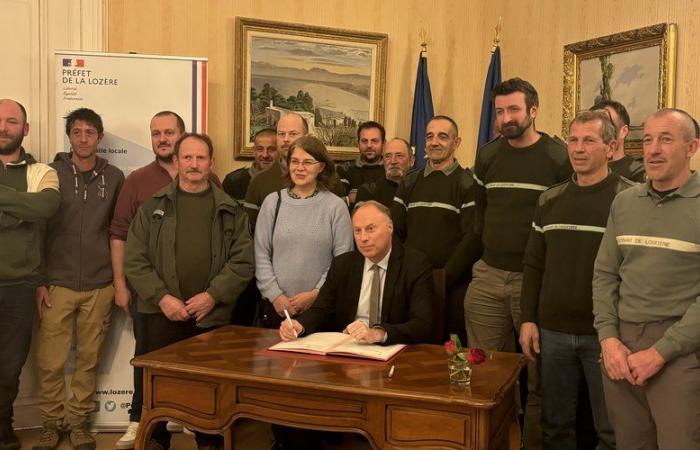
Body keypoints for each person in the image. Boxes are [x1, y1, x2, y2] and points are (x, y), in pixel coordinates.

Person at [125, 133, 253, 450]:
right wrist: (163, 298)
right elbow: (135, 260)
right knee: (155, 387)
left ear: (211, 163)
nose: (194, 164)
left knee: (210, 389)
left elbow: (243, 261)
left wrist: (212, 296)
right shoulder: (153, 207)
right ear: (177, 161)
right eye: (187, 157)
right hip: (160, 314)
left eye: (200, 158)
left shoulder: (230, 210)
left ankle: (210, 441)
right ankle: (156, 440)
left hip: (210, 316)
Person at [464, 78, 572, 450]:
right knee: (485, 373)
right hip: (488, 277)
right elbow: (480, 216)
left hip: (536, 281)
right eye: (499, 111)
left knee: (538, 379)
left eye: (513, 110)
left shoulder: (558, 158)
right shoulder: (487, 155)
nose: (505, 118)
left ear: (533, 110)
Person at [520, 111, 631, 450]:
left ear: (610, 147)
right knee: (556, 427)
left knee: (612, 430)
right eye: (573, 140)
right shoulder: (549, 200)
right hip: (552, 332)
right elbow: (534, 264)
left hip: (607, 336)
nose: (578, 148)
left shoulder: (629, 200)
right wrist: (527, 319)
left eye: (589, 140)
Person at [110, 111, 220, 449]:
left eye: (169, 132)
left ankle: (196, 423)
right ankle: (142, 424)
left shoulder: (214, 184)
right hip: (154, 299)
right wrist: (121, 284)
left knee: (202, 372)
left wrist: (213, 295)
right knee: (150, 365)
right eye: (156, 133)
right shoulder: (138, 180)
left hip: (202, 305)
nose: (162, 138)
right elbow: (121, 236)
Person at [593, 108, 700, 449]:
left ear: (692, 147)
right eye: (648, 140)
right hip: (620, 348)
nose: (652, 149)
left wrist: (661, 352)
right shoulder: (624, 203)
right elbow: (605, 274)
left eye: (665, 139)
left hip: (678, 350)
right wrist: (608, 339)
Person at [32, 108, 124, 450]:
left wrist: (118, 282)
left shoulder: (114, 177)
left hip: (100, 285)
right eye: (77, 132)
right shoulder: (50, 173)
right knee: (51, 361)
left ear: (99, 137)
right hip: (57, 283)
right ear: (69, 136)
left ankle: (79, 423)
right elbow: (38, 229)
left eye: (90, 132)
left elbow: (118, 231)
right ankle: (51, 424)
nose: (83, 138)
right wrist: (40, 280)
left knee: (88, 360)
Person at [281, 200, 433, 345]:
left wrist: (378, 333)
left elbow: (422, 324)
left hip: (394, 351)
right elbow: (322, 310)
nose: (363, 238)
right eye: (357, 231)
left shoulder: (414, 264)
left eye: (370, 229)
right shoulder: (343, 264)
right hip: (348, 350)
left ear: (390, 227)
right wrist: (300, 326)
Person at [0, 99, 60, 450]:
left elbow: (46, 206)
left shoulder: (41, 172)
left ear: (25, 129)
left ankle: (2, 429)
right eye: (0, 120)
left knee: (10, 366)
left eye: (12, 121)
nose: (4, 127)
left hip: (20, 285)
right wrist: (18, 210)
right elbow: (30, 208)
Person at [391, 115, 476, 342]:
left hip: (452, 286)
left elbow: (472, 239)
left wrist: (444, 277)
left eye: (443, 136)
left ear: (456, 143)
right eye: (429, 136)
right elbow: (396, 231)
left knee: (448, 350)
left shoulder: (468, 184)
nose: (434, 142)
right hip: (411, 283)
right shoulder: (409, 182)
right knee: (412, 349)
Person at [255, 135, 354, 325]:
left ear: (322, 167)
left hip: (321, 309)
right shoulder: (272, 202)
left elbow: (342, 261)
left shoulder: (335, 206)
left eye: (308, 162)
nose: (300, 168)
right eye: (295, 161)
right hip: (276, 308)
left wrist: (315, 295)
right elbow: (261, 254)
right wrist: (276, 296)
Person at [243, 113, 345, 230]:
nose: (286, 139)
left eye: (293, 134)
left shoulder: (330, 177)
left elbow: (340, 227)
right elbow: (250, 232)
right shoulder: (259, 181)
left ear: (306, 136)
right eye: (281, 134)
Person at [591, 100, 645, 182]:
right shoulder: (580, 168)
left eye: (607, 125)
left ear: (624, 131)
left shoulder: (637, 172)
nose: (598, 132)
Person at [355, 137, 415, 208]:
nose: (393, 161)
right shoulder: (368, 191)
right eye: (388, 156)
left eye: (399, 156)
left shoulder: (421, 189)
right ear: (383, 161)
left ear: (412, 161)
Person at [222, 127, 277, 203]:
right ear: (253, 151)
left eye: (271, 149)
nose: (265, 155)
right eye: (260, 149)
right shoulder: (233, 181)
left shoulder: (287, 181)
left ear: (280, 151)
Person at [338, 121, 386, 205]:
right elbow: (334, 203)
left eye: (374, 141)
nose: (369, 145)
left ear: (383, 144)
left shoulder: (390, 170)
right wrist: (348, 199)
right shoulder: (344, 169)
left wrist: (358, 196)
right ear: (358, 144)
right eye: (364, 141)